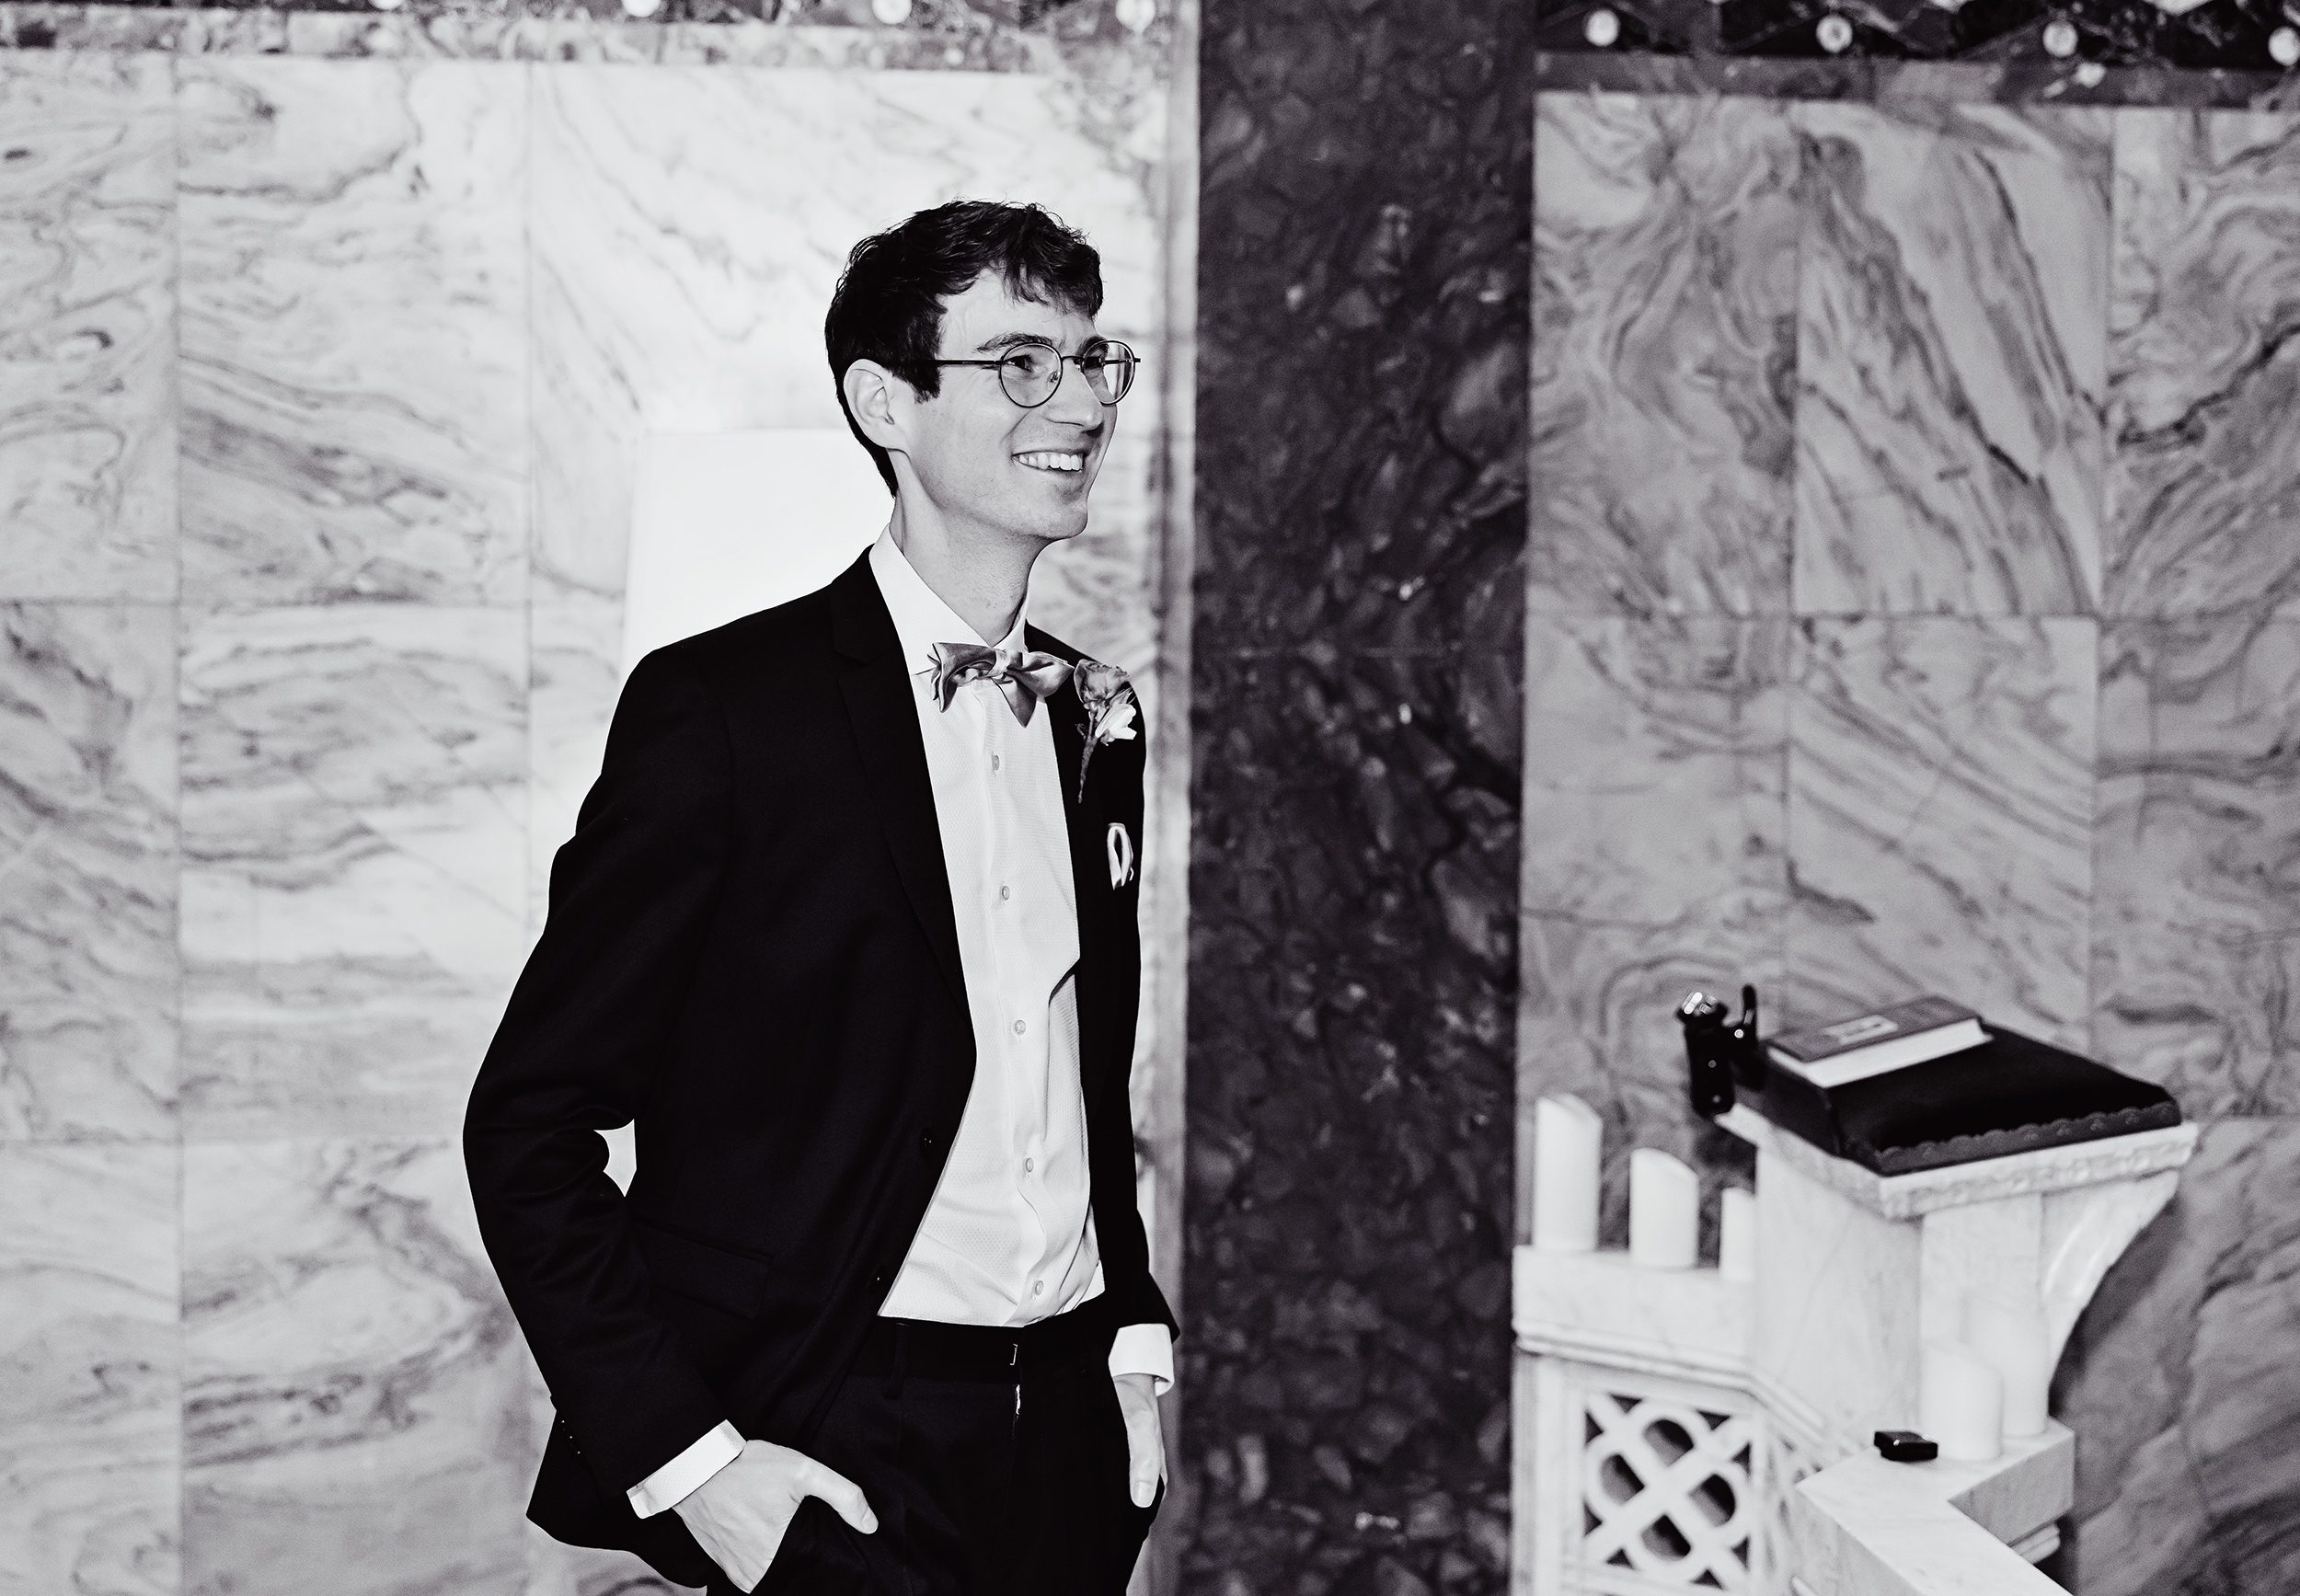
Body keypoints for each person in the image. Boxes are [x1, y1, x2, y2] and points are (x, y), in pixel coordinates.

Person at [464, 199, 1173, 1596]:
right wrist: (694, 1467)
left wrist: (1135, 1345)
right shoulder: (724, 712)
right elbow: (528, 1128)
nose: (1080, 402)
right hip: (843, 1448)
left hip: (1072, 1456)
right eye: (1021, 361)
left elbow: (1078, 1073)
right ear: (885, 403)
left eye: (1094, 363)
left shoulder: (1097, 715)